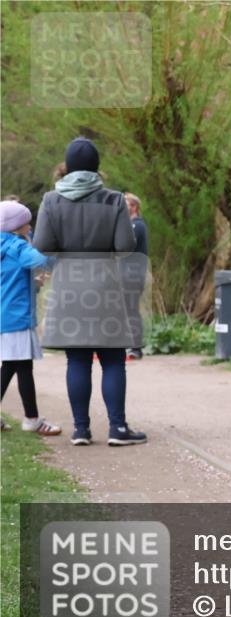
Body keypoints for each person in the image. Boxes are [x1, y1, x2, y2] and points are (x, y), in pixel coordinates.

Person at [33, 137, 147, 447]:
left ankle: (81, 430)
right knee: (112, 359)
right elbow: (125, 246)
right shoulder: (113, 200)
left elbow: (42, 245)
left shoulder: (51, 200)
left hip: (69, 282)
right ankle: (117, 428)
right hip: (105, 282)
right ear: (98, 166)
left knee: (78, 360)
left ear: (66, 167)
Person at [0, 201, 61, 436]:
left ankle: (31, 417)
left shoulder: (4, 245)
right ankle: (32, 419)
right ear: (18, 225)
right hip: (17, 317)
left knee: (15, 366)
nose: (30, 224)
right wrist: (51, 244)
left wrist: (32, 285)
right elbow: (44, 261)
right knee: (20, 367)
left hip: (6, 314)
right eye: (27, 221)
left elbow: (10, 279)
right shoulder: (17, 246)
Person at [123, 192, 148, 361]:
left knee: (131, 310)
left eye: (125, 204)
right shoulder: (128, 225)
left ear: (134, 207)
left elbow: (125, 246)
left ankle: (136, 348)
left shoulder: (137, 226)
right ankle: (126, 345)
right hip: (125, 274)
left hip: (132, 275)